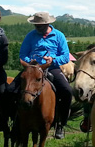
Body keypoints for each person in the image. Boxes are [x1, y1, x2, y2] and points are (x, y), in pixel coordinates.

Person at [8, 11, 72, 139]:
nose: (37, 28)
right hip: (32, 68)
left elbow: (65, 56)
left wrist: (52, 60)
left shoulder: (59, 35)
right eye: (36, 25)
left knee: (67, 91)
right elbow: (23, 54)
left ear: (47, 24)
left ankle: (60, 124)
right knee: (10, 90)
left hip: (51, 68)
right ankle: (16, 120)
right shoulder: (30, 36)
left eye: (40, 26)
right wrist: (30, 62)